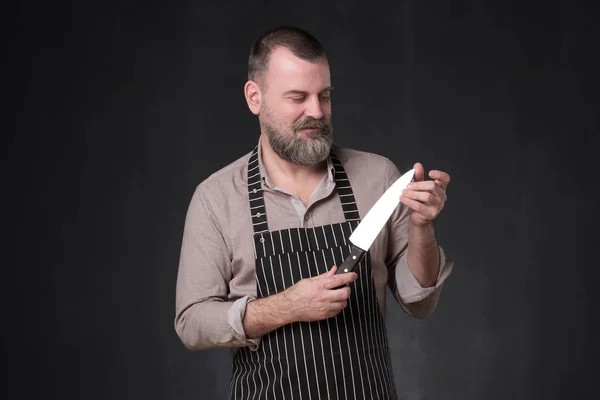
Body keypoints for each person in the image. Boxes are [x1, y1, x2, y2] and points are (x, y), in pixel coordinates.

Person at [174, 25, 455, 400]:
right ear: (254, 97)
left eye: (324, 95)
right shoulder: (217, 198)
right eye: (298, 97)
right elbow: (192, 323)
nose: (316, 111)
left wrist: (423, 227)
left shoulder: (377, 177)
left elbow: (419, 303)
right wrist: (287, 307)